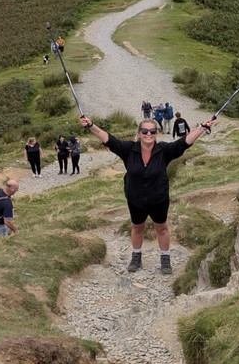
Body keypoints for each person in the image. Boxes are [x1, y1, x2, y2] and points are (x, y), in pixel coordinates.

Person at [79, 114, 214, 274]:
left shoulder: (164, 150)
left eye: (152, 131)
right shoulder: (129, 149)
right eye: (145, 131)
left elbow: (183, 143)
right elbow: (109, 140)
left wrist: (202, 128)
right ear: (139, 133)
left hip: (159, 199)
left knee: (162, 228)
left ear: (156, 134)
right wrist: (91, 126)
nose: (148, 134)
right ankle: (136, 256)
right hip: (135, 199)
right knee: (137, 228)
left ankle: (165, 258)